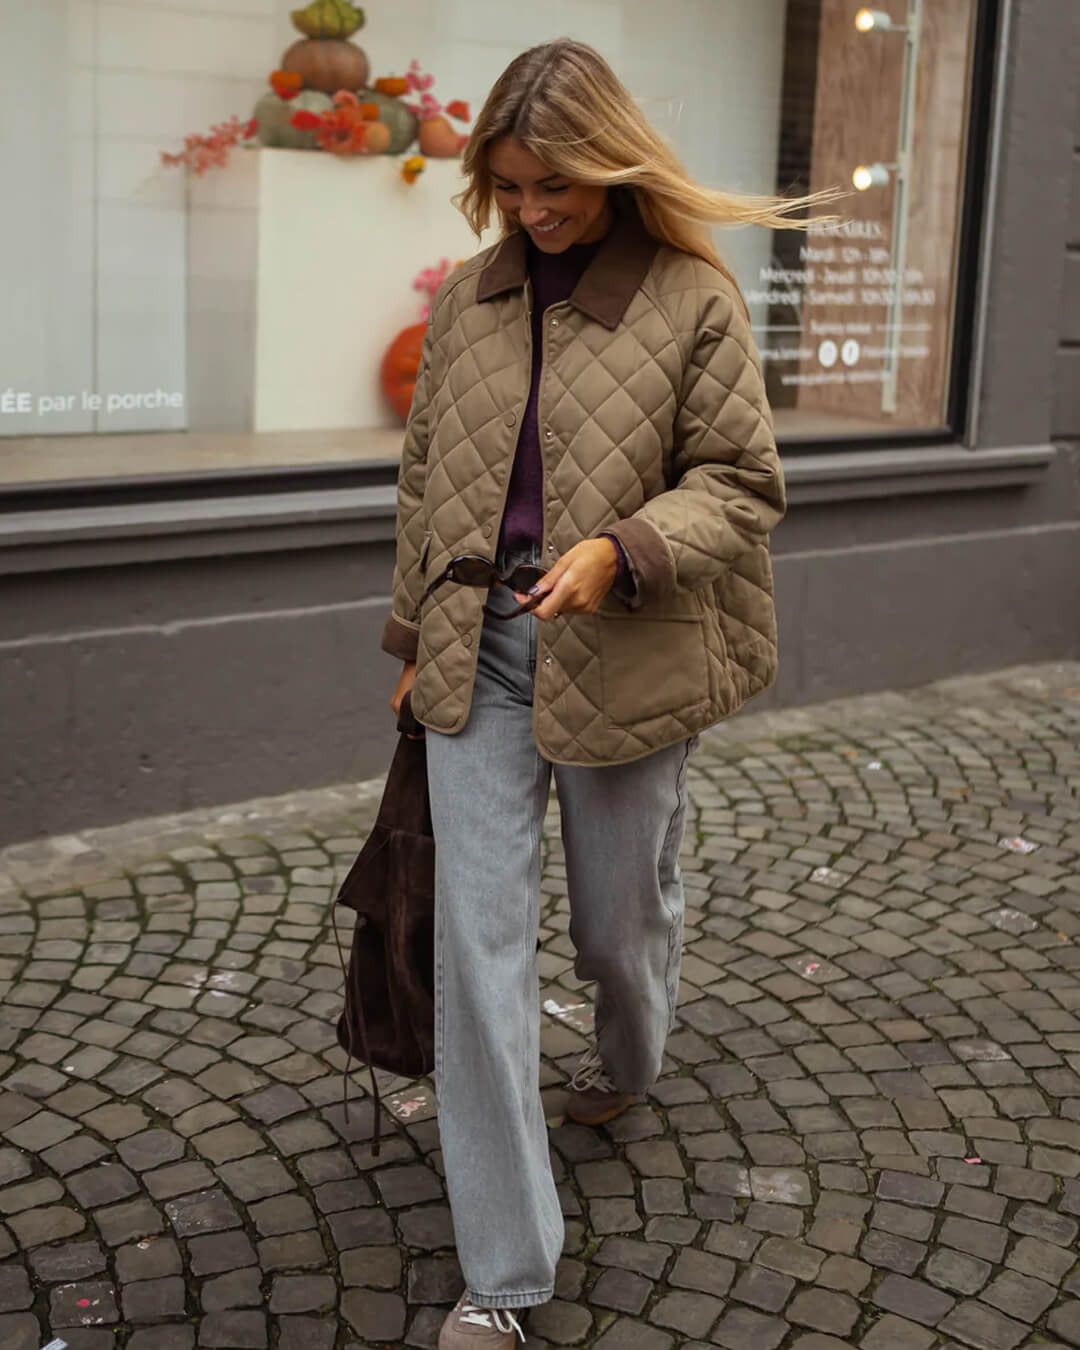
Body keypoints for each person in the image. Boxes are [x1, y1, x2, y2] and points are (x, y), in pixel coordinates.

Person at [381, 37, 827, 1350]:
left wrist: (621, 549)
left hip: (624, 646)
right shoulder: (468, 300)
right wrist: (411, 632)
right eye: (513, 188)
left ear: (611, 169)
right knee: (477, 948)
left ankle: (628, 1059)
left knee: (618, 925)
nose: (533, 212)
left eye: (556, 187)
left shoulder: (691, 298)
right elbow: (425, 478)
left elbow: (742, 485)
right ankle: (504, 1274)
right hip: (479, 648)